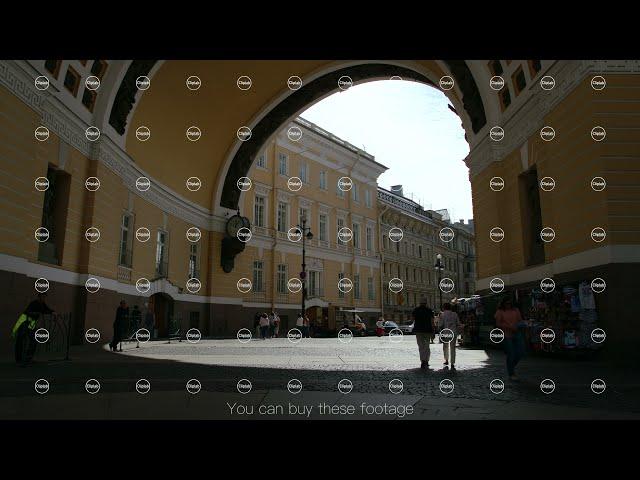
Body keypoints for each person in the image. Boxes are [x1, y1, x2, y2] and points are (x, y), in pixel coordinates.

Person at [13, 293, 54, 364]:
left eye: (44, 297)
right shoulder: (34, 303)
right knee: (21, 340)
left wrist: (53, 312)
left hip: (31, 323)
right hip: (24, 322)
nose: (43, 299)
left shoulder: (42, 304)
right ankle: (19, 360)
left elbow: (47, 310)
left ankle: (28, 358)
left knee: (33, 340)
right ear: (39, 297)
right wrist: (36, 313)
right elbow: (28, 312)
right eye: (42, 297)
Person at [495, 297, 525, 381]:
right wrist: (509, 327)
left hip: (517, 333)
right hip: (506, 334)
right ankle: (511, 373)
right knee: (511, 354)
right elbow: (498, 324)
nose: (508, 305)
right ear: (503, 304)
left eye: (509, 303)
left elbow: (520, 320)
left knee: (520, 352)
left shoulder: (516, 310)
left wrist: (519, 325)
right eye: (506, 303)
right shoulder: (500, 311)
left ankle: (511, 367)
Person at [412, 297, 435, 370]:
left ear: (420, 303)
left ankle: (422, 361)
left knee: (421, 346)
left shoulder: (416, 310)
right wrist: (433, 331)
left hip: (418, 330)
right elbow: (432, 322)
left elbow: (412, 319)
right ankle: (426, 361)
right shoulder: (429, 310)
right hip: (427, 330)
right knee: (427, 346)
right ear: (426, 303)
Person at [440, 303, 463, 370]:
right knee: (453, 348)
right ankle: (452, 362)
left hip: (446, 333)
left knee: (445, 347)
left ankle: (446, 360)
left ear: (444, 307)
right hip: (453, 332)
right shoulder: (455, 314)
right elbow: (458, 323)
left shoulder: (442, 314)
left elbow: (440, 325)